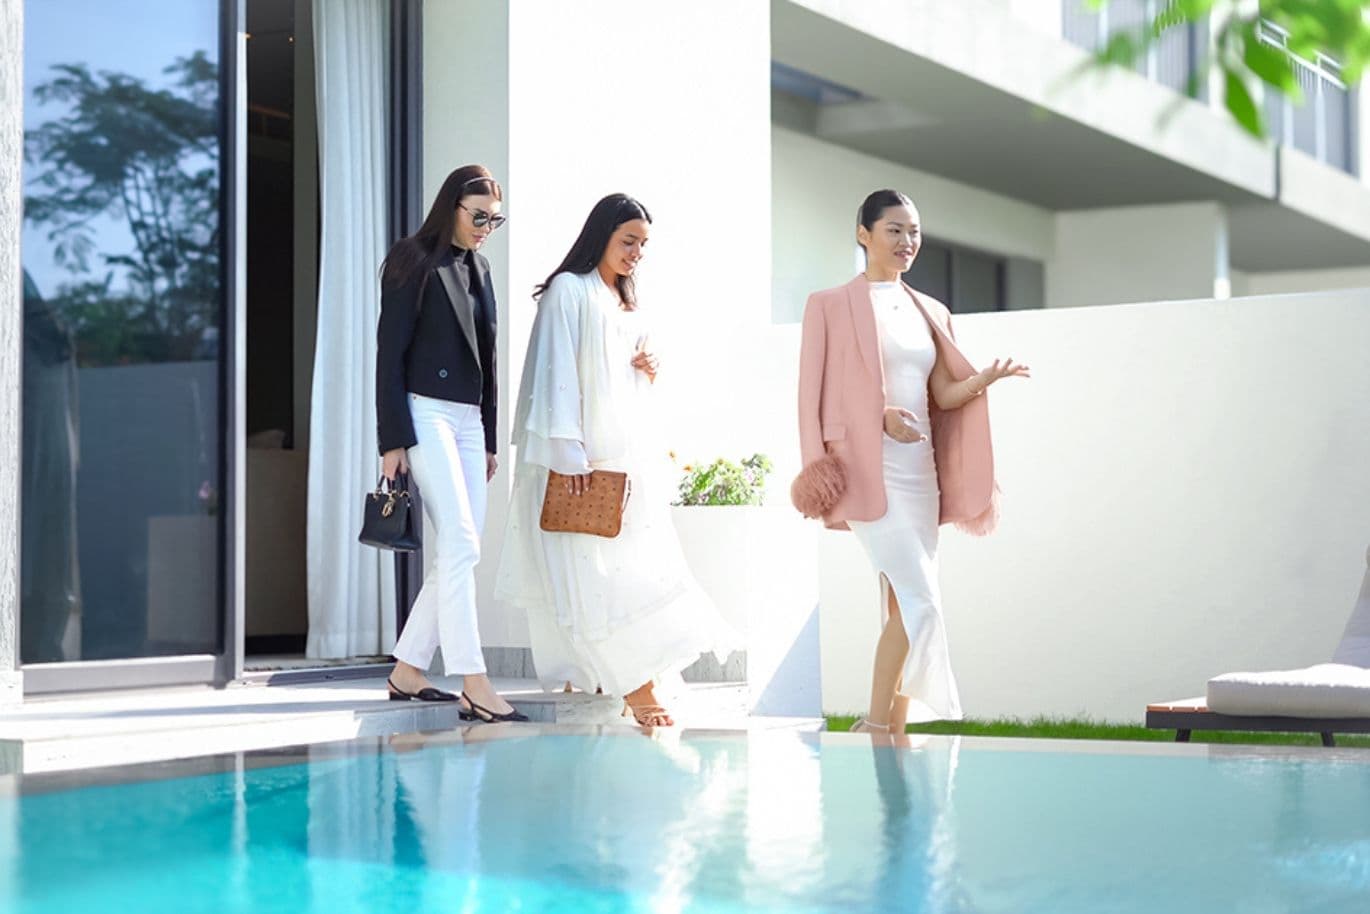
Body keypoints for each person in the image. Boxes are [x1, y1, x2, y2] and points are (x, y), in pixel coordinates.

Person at [792, 189, 1029, 734]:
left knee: (903, 604)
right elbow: (812, 394)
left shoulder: (932, 310)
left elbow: (942, 396)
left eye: (915, 231)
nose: (907, 241)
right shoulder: (827, 305)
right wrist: (876, 417)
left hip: (920, 476)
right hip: (865, 474)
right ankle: (879, 724)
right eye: (895, 229)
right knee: (922, 599)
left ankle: (891, 724)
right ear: (864, 234)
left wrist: (982, 381)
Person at [495, 193, 736, 727]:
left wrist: (649, 365)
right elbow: (556, 372)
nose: (636, 253)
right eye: (629, 241)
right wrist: (568, 455)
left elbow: (625, 374)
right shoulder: (568, 290)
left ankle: (605, 669)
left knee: (633, 566)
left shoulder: (624, 301)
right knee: (590, 571)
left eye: (643, 245)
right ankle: (634, 682)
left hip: (625, 457)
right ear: (600, 235)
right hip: (580, 458)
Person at [376, 164, 526, 723]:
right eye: (478, 216)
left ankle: (408, 671)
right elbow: (388, 353)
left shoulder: (480, 268)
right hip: (424, 413)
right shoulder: (412, 259)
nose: (487, 226)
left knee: (463, 550)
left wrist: (487, 437)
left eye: (495, 218)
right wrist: (392, 438)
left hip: (467, 423)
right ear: (452, 207)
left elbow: (487, 361)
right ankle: (474, 680)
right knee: (461, 542)